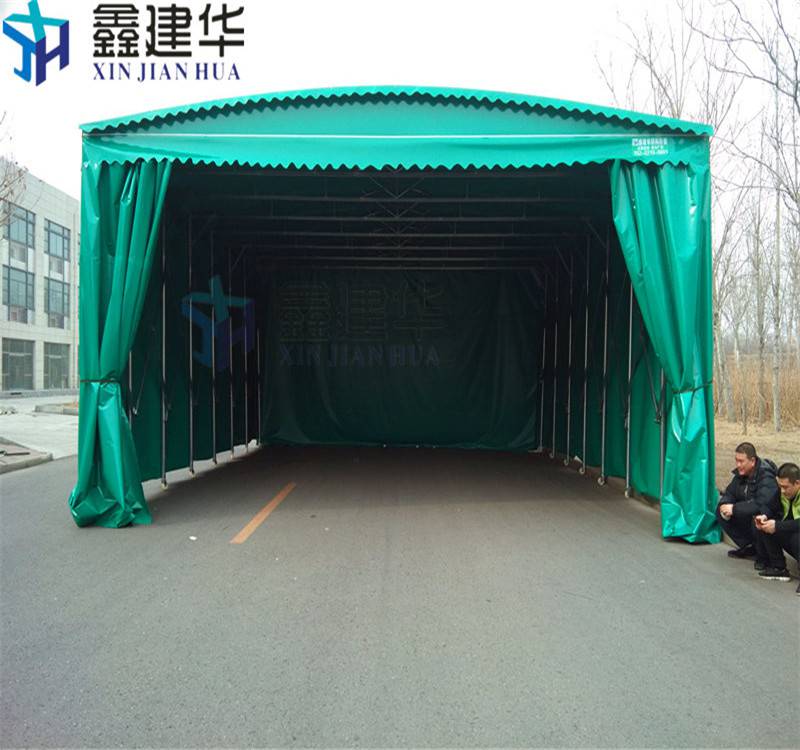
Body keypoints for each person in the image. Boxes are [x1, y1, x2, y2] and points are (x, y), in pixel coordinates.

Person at [716, 442, 779, 560]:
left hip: (769, 517)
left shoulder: (766, 477)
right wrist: (725, 504)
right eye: (736, 460)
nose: (738, 465)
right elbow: (730, 493)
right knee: (721, 510)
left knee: (758, 517)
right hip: (748, 513)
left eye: (741, 461)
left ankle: (765, 556)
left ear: (752, 461)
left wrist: (734, 509)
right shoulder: (741, 474)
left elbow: (761, 504)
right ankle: (749, 546)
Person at [753, 462, 800, 592]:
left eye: (785, 487)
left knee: (797, 538)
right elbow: (770, 506)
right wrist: (764, 516)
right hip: (791, 531)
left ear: (797, 483)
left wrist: (777, 526)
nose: (782, 491)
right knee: (765, 525)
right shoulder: (782, 491)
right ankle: (779, 568)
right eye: (780, 486)